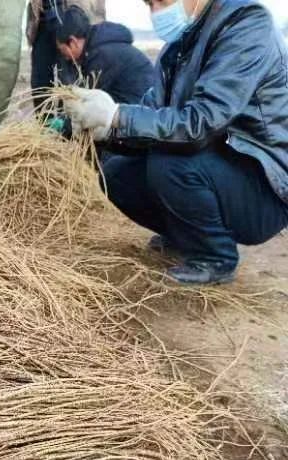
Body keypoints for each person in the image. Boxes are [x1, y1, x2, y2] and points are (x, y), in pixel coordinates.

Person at [63, 0, 288, 286]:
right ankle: (187, 238)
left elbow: (200, 124)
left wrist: (118, 116)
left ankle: (215, 257)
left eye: (162, 1)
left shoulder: (246, 24)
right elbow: (154, 117)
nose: (156, 12)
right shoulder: (178, 48)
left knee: (169, 163)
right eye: (150, 4)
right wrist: (106, 129)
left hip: (265, 187)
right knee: (116, 174)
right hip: (216, 166)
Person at [56, 8, 155, 105]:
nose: (65, 57)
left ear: (73, 42)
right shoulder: (99, 45)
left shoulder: (101, 55)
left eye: (62, 50)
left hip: (143, 108)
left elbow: (87, 101)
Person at [26, 0, 106, 113]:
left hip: (73, 12)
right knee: (40, 82)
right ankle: (44, 122)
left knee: (71, 83)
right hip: (41, 16)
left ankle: (69, 121)